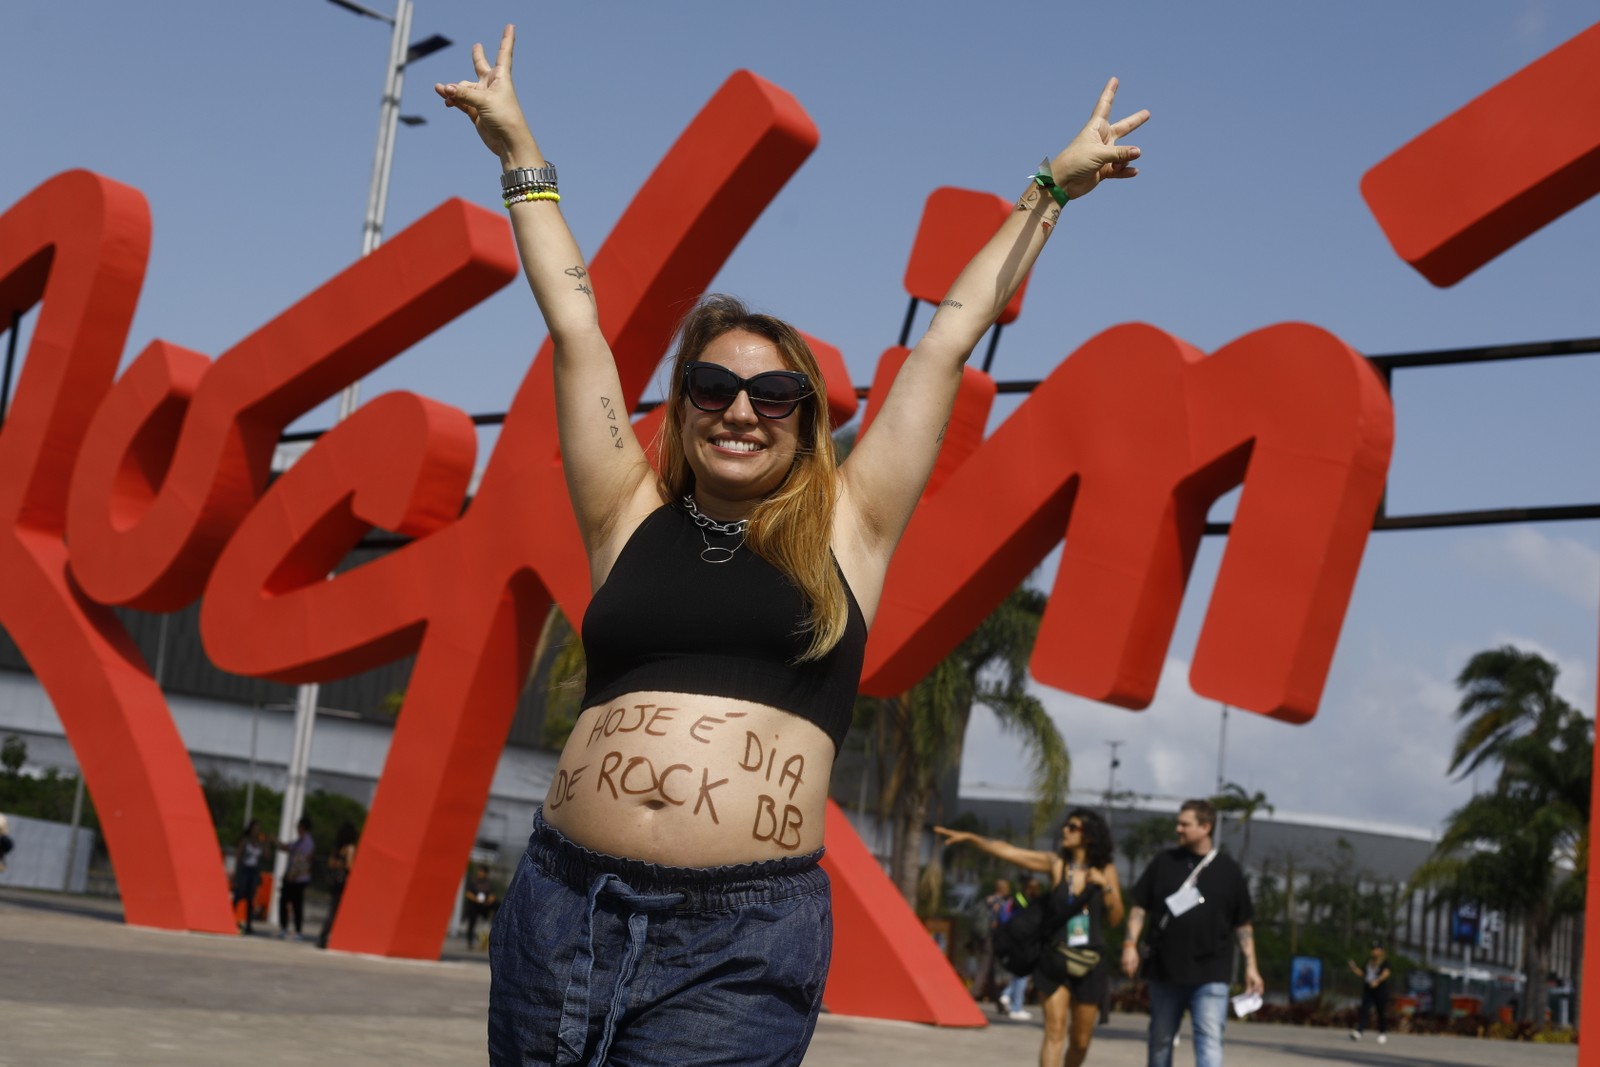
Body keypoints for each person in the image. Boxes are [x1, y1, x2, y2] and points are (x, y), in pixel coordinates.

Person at [435, 24, 1146, 1066]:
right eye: (711, 388)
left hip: (739, 938)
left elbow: (948, 336)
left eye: (774, 393)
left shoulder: (851, 528)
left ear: (809, 418)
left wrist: (1051, 185)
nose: (739, 409)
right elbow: (578, 324)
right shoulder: (624, 513)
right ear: (677, 411)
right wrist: (517, 154)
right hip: (561, 908)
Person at [935, 810, 1125, 1067]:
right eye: (1065, 826)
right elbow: (1010, 852)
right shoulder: (1056, 865)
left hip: (1090, 961)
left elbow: (1115, 919)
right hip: (1054, 958)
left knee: (1080, 1042)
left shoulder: (1106, 870)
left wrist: (1107, 886)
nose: (1064, 831)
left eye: (1072, 827)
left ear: (1089, 835)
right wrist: (972, 839)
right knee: (1054, 1032)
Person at [1121, 800, 1263, 1067]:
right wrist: (1130, 944)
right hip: (1165, 972)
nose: (1178, 829)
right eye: (1178, 823)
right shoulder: (1164, 863)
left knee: (1209, 1040)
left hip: (1211, 973)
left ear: (1206, 827)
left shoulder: (1228, 871)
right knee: (1160, 1040)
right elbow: (1139, 906)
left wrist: (1251, 966)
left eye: (1185, 824)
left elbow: (1243, 924)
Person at [972, 876, 1014, 1004]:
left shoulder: (987, 899)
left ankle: (995, 996)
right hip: (992, 936)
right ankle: (974, 992)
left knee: (990, 966)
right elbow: (1001, 919)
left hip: (983, 935)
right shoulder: (1002, 902)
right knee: (986, 964)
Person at [317, 821, 358, 949]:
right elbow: (350, 866)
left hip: (334, 882)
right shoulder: (350, 848)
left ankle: (324, 936)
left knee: (332, 910)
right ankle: (331, 937)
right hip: (343, 883)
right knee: (339, 911)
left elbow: (330, 864)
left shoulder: (337, 848)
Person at [278, 816, 314, 941]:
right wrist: (276, 842)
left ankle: (298, 930)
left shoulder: (307, 842)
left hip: (298, 879)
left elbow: (303, 861)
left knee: (297, 905)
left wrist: (293, 875)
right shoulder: (299, 841)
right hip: (291, 878)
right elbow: (288, 848)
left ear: (302, 827)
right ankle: (284, 927)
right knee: (284, 902)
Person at [1348, 941, 1391, 1043]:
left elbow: (1386, 974)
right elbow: (1363, 973)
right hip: (1368, 989)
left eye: (1376, 949)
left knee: (1380, 1012)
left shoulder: (1385, 962)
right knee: (1364, 1010)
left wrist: (1377, 981)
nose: (1373, 951)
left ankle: (1382, 1032)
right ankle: (1359, 1031)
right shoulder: (1369, 961)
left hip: (1380, 990)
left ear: (1381, 950)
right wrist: (1354, 969)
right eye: (1373, 949)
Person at [231, 819, 265, 934]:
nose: (257, 830)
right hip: (244, 870)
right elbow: (238, 856)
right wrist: (236, 874)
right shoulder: (245, 841)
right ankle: (230, 918)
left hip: (254, 871)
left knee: (251, 898)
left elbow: (266, 855)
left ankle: (249, 924)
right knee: (239, 895)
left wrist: (265, 843)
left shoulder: (259, 842)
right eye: (255, 828)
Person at [463, 865, 501, 950]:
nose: (480, 873)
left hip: (485, 905)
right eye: (479, 871)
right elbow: (468, 893)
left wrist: (490, 899)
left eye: (482, 872)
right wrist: (476, 899)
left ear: (485, 873)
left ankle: (496, 920)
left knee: (497, 903)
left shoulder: (488, 883)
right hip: (474, 904)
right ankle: (470, 942)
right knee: (472, 921)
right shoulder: (473, 881)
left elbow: (492, 894)